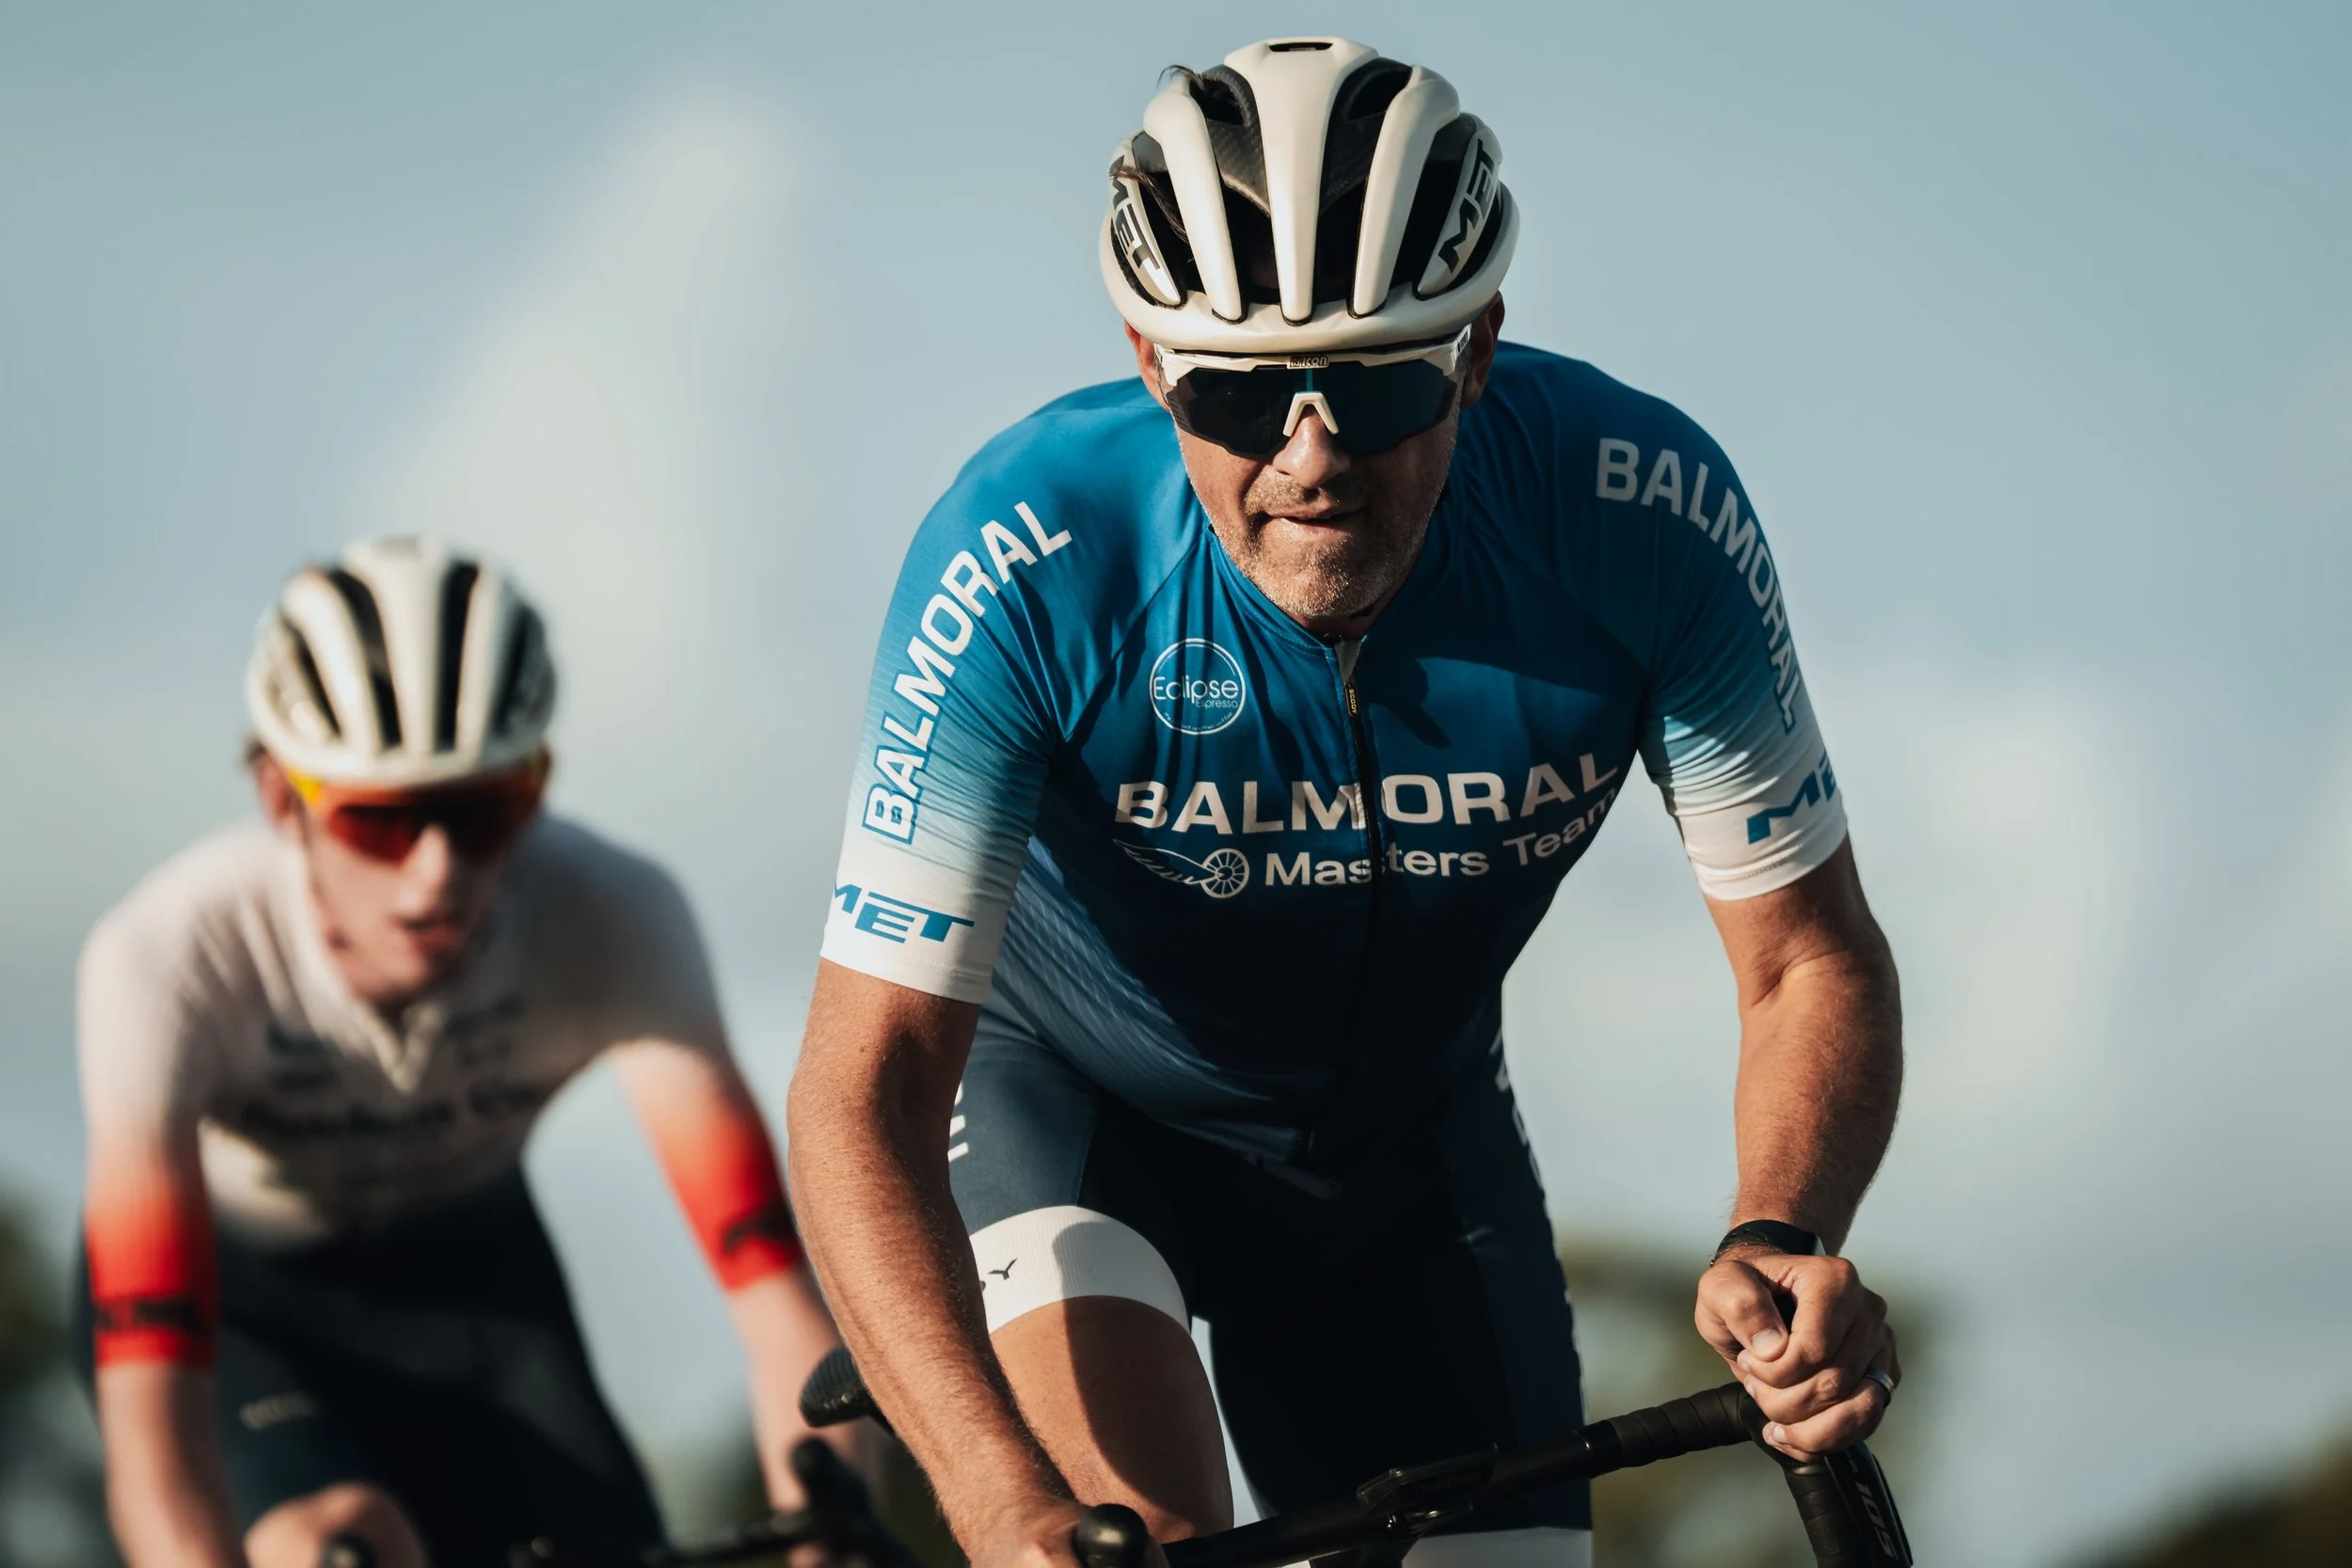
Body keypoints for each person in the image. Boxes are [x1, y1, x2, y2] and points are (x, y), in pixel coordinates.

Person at [787, 35, 1905, 1568]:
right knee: (1136, 1545)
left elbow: (1807, 960)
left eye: (1373, 383)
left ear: (1479, 343)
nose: (1311, 460)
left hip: (1405, 1152)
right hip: (1070, 1111)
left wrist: (1781, 1228)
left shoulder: (1641, 520)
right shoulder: (1024, 557)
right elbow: (865, 1089)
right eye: (1241, 395)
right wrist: (996, 1496)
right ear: (1145, 358)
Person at [74, 536, 847, 1568]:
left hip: (474, 1278)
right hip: (243, 1302)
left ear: (541, 783)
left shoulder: (613, 915)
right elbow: (151, 1429)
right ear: (282, 800)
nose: (435, 871)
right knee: (344, 1544)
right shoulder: (169, 957)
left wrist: (832, 1528)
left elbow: (771, 1290)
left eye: (484, 812)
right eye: (380, 822)